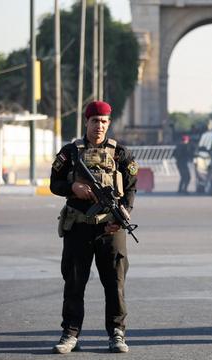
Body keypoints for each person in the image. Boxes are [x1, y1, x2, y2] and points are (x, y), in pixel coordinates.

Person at [50, 101, 138, 353]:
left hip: (111, 229)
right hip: (78, 226)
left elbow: (131, 187)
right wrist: (72, 188)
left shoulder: (120, 153)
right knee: (74, 282)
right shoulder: (71, 152)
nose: (98, 126)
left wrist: (124, 212)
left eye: (103, 121)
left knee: (114, 283)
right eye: (94, 121)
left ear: (108, 124)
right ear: (86, 123)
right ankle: (70, 333)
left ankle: (117, 333)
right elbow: (54, 182)